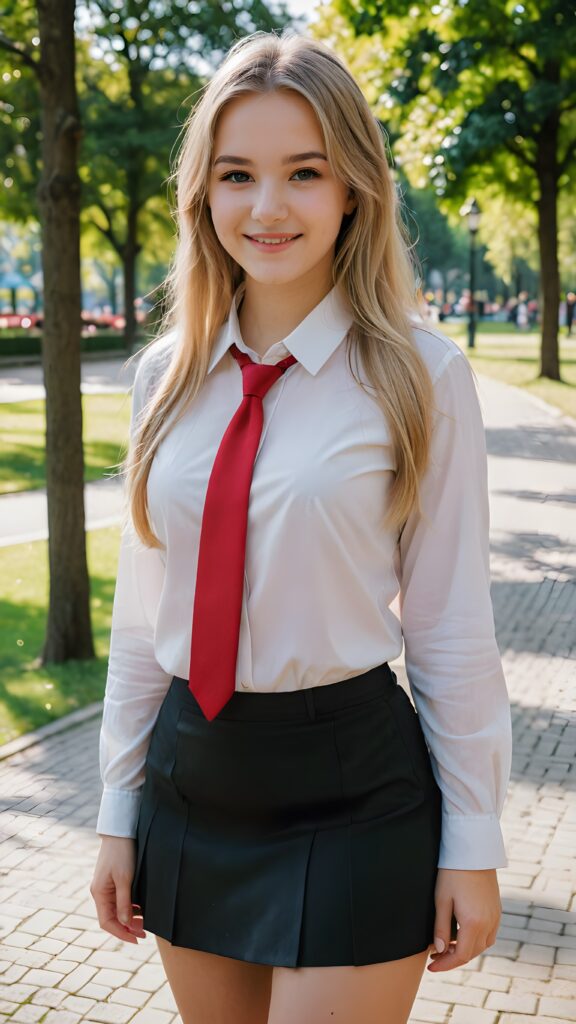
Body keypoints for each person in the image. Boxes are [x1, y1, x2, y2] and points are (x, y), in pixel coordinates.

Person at [89, 29, 512, 1024]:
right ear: (203, 193)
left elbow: (451, 625)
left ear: (354, 186)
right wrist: (116, 814)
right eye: (238, 174)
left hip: (356, 791)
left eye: (304, 172)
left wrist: (475, 841)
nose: (268, 207)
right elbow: (144, 620)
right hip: (193, 784)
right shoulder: (165, 376)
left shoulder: (421, 374)